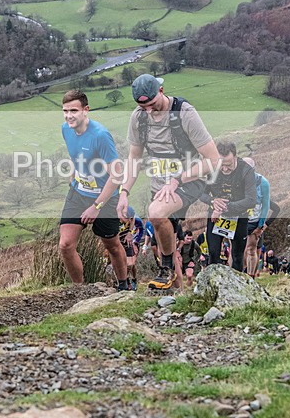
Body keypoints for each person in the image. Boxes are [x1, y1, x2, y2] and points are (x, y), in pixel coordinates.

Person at [117, 74, 220, 292]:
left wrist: (177, 179)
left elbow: (213, 159)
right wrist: (124, 192)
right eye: (142, 106)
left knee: (155, 213)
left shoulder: (185, 114)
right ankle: (178, 293)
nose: (148, 111)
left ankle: (165, 270)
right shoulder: (139, 118)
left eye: (152, 105)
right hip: (159, 184)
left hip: (189, 180)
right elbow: (134, 158)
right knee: (168, 239)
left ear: (161, 91)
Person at [59, 90, 129, 288]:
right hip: (78, 193)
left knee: (112, 246)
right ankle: (80, 290)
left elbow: (117, 176)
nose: (69, 115)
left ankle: (124, 285)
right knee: (65, 245)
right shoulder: (66, 129)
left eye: (74, 110)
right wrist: (73, 176)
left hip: (104, 199)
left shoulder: (100, 135)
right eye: (65, 111)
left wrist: (96, 207)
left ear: (86, 110)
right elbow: (76, 155)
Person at [198, 141, 257, 273]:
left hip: (238, 216)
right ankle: (213, 286)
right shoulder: (211, 169)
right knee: (213, 253)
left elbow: (251, 200)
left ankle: (236, 288)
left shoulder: (246, 171)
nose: (224, 169)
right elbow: (200, 193)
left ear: (235, 157)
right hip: (215, 216)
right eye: (221, 165)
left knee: (237, 256)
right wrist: (213, 201)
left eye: (228, 165)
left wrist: (224, 208)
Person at [241, 157, 280, 278]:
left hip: (256, 223)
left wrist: (263, 225)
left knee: (252, 250)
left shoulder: (262, 184)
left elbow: (271, 207)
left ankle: (251, 275)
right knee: (242, 251)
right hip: (242, 221)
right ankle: (243, 274)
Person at [117, 206, 144, 291]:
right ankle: (126, 282)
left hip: (130, 242)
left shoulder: (135, 220)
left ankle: (134, 279)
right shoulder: (115, 218)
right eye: (127, 219)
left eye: (131, 219)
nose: (129, 221)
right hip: (118, 242)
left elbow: (141, 230)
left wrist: (135, 240)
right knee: (122, 264)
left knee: (131, 264)